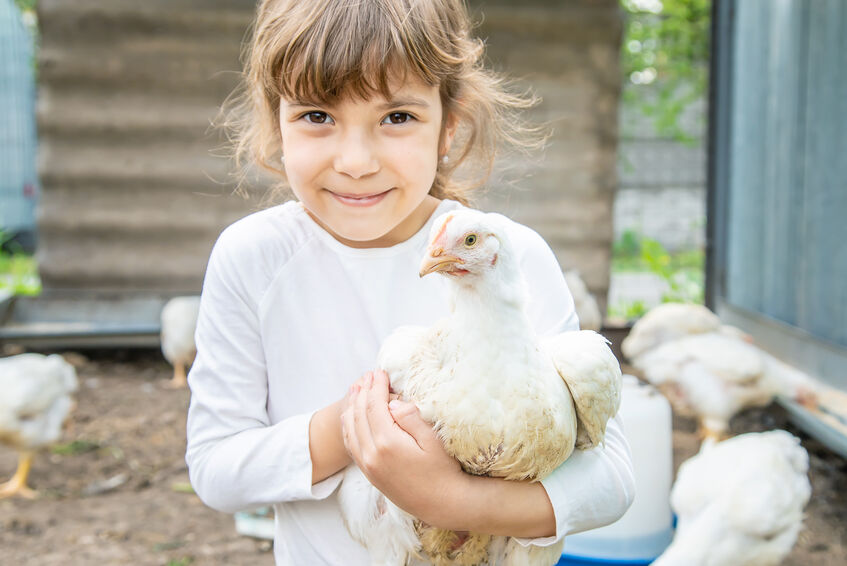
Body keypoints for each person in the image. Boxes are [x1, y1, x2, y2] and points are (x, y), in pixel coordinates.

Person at [185, 1, 635, 564]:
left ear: (449, 124)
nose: (355, 161)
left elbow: (611, 478)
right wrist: (355, 432)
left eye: (397, 117)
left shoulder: (506, 257)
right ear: (275, 120)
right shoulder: (253, 258)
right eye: (317, 116)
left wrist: (456, 500)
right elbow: (215, 468)